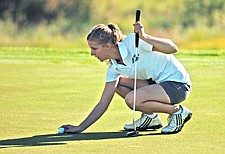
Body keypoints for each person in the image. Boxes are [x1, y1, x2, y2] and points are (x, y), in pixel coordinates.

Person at [60, 21, 192, 134]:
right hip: (156, 84)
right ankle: (150, 118)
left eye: (94, 48)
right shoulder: (114, 67)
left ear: (108, 46)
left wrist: (144, 36)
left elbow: (172, 48)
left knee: (132, 99)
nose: (91, 53)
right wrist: (80, 127)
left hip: (178, 85)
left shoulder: (133, 42)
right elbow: (103, 102)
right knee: (118, 84)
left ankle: (177, 112)